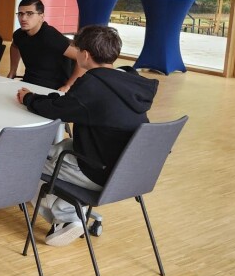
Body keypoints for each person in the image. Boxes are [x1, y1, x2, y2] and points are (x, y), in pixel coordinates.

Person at [16, 25, 158, 246]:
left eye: (76, 47)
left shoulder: (93, 85)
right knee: (61, 147)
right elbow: (71, 105)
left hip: (98, 171)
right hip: (131, 170)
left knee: (25, 162)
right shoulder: (128, 79)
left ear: (85, 55)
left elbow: (56, 110)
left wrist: (28, 99)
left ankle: (67, 217)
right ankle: (68, 210)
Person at [8, 0, 83, 92]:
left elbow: (82, 58)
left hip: (52, 88)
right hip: (28, 83)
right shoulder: (19, 34)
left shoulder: (50, 36)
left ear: (41, 16)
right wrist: (13, 70)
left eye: (29, 14)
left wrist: (68, 85)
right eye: (20, 14)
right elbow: (15, 46)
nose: (23, 18)